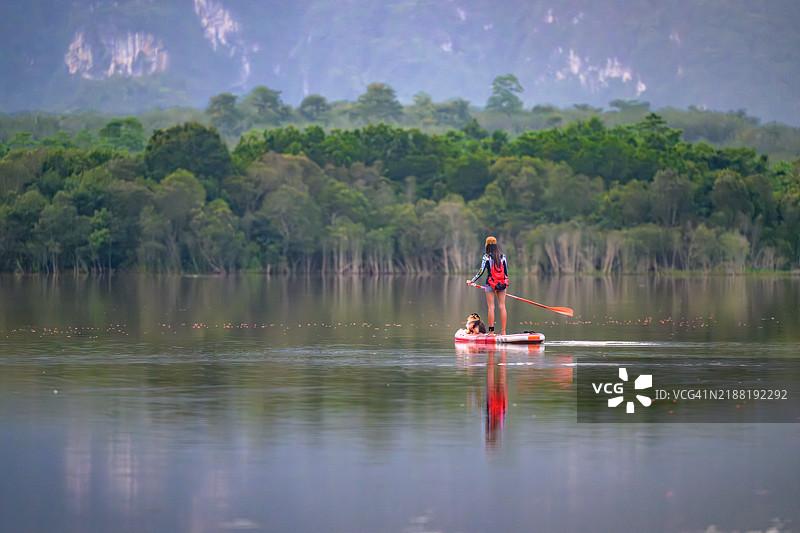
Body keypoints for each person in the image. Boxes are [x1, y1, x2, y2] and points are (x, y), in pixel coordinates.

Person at [466, 236, 508, 335]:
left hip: (491, 284)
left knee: (491, 307)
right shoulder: (503, 256)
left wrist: (472, 281)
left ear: (487, 246)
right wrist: (504, 283)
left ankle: (492, 332)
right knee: (502, 307)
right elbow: (505, 272)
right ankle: (503, 332)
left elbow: (481, 272)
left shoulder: (486, 257)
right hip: (502, 284)